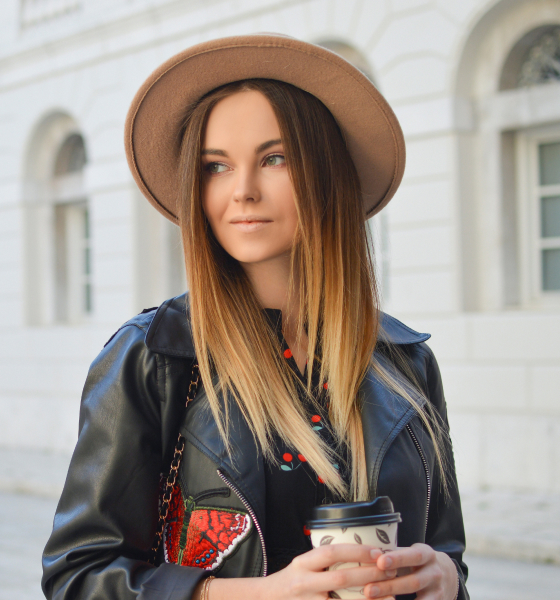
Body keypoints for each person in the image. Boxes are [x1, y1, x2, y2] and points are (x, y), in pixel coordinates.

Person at [42, 35, 468, 600]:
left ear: (325, 173)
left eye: (274, 159)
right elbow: (77, 577)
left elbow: (448, 554)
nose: (242, 191)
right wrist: (256, 594)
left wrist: (445, 579)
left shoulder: (406, 363)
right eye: (216, 166)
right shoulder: (154, 357)